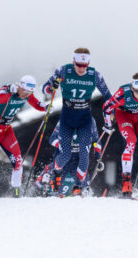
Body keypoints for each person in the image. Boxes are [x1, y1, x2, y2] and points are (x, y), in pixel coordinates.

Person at [42, 47, 111, 196]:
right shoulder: (63, 70)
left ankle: (79, 186)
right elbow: (45, 89)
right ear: (74, 61)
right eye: (79, 65)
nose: (81, 69)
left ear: (88, 64)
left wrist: (112, 109)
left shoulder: (94, 75)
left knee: (84, 156)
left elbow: (108, 96)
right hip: (67, 117)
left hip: (85, 118)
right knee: (65, 154)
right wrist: (51, 86)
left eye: (84, 66)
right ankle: (55, 172)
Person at [0, 75, 47, 198]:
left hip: (6, 130)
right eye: (25, 91)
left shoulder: (27, 95)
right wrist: (7, 92)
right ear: (19, 86)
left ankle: (16, 193)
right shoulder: (8, 90)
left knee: (18, 162)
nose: (26, 95)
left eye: (30, 92)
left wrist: (45, 107)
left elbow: (36, 103)